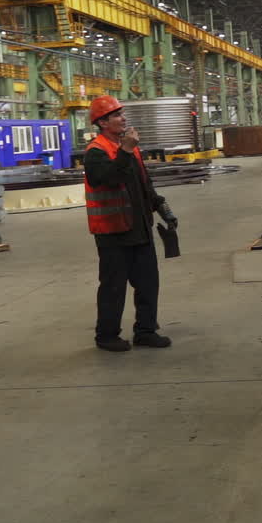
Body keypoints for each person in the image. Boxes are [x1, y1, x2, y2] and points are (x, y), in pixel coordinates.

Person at [84, 95, 178, 352]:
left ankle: (146, 331)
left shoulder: (130, 148)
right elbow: (109, 179)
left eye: (121, 114)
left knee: (148, 282)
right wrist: (125, 150)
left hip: (139, 228)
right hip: (113, 232)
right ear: (102, 123)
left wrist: (161, 207)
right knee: (113, 286)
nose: (122, 119)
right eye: (116, 115)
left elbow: (142, 184)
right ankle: (106, 336)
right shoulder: (96, 152)